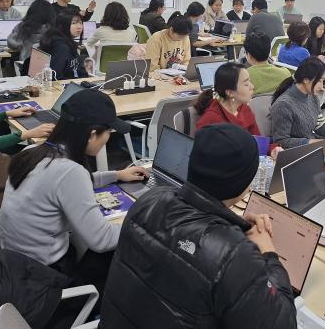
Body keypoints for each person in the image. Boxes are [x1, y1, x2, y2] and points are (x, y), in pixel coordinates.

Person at [100, 124, 297, 327]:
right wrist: (268, 253)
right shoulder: (234, 254)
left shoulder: (151, 199)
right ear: (245, 183)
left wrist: (233, 227)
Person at [0, 89, 147, 294]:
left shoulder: (32, 152)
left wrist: (117, 175)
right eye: (108, 132)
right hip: (41, 276)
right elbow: (102, 240)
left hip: (10, 263)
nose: (108, 138)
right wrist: (144, 224)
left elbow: (64, 184)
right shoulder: (70, 172)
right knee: (118, 251)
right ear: (92, 135)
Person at [194, 63, 260, 135]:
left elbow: (258, 140)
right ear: (230, 93)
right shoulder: (211, 120)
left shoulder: (244, 109)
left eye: (250, 81)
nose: (252, 87)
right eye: (246, 84)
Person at [39, 12, 87, 79]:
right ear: (63, 25)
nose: (79, 27)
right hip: (66, 84)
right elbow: (55, 77)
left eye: (80, 23)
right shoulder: (61, 47)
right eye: (73, 23)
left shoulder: (67, 42)